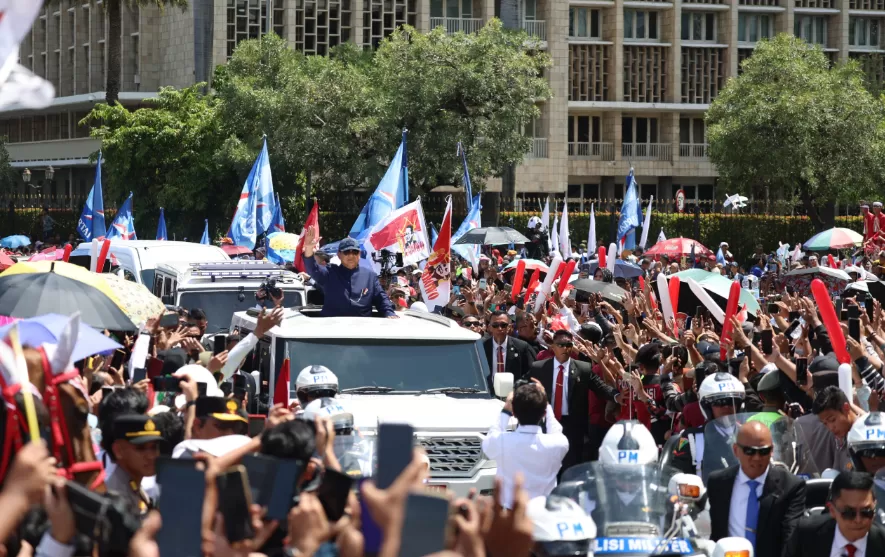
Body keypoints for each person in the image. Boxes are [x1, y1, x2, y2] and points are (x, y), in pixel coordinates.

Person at [707, 421, 806, 557]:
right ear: (736, 450)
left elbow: (791, 539)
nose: (757, 458)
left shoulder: (791, 487)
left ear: (772, 451)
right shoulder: (718, 483)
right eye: (749, 451)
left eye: (763, 451)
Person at [529, 329, 620, 470]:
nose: (565, 348)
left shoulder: (583, 369)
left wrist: (616, 396)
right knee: (547, 466)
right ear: (553, 346)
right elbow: (524, 386)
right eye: (561, 345)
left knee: (570, 467)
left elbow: (600, 387)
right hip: (546, 423)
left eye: (569, 345)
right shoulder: (539, 368)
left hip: (572, 426)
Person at [481, 379, 568, 509]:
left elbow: (491, 438)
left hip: (511, 516)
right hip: (543, 514)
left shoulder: (502, 442)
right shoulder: (557, 444)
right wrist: (546, 403)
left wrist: (506, 409)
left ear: (514, 413)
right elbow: (555, 429)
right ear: (543, 413)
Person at [785, 471, 885, 557]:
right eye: (849, 513)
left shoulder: (881, 543)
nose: (858, 520)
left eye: (866, 512)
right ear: (832, 510)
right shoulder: (806, 534)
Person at [301, 228, 396, 318]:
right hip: (332, 329)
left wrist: (389, 313)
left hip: (363, 329)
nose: (351, 256)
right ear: (339, 255)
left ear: (359, 254)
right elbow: (313, 269)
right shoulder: (330, 273)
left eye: (355, 252)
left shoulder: (370, 276)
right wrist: (309, 248)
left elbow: (381, 298)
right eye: (346, 252)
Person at [670, 371, 746, 480]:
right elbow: (677, 474)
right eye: (719, 402)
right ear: (707, 406)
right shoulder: (692, 438)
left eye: (731, 401)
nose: (726, 407)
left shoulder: (749, 435)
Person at [105, 414, 163, 515]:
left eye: (154, 447)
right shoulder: (114, 495)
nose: (151, 456)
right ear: (118, 450)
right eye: (140, 448)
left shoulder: (133, 484)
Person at [483, 311, 536, 394]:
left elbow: (529, 373)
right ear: (489, 327)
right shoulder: (482, 347)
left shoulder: (522, 347)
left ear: (509, 327)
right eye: (495, 325)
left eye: (503, 325)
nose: (499, 328)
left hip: (513, 396)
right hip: (488, 396)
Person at [814, 386, 863, 470]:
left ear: (846, 408)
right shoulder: (840, 437)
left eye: (832, 420)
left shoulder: (865, 436)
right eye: (825, 424)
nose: (830, 428)